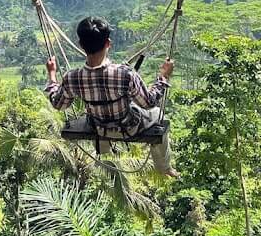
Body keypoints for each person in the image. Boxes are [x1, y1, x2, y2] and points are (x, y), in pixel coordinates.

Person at [45, 16, 178, 178]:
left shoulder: (72, 77)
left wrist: (52, 75)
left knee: (97, 113)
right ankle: (164, 167)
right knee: (158, 114)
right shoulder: (125, 74)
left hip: (99, 128)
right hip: (129, 128)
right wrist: (163, 77)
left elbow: (58, 104)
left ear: (81, 45)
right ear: (108, 43)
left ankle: (105, 146)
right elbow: (149, 102)